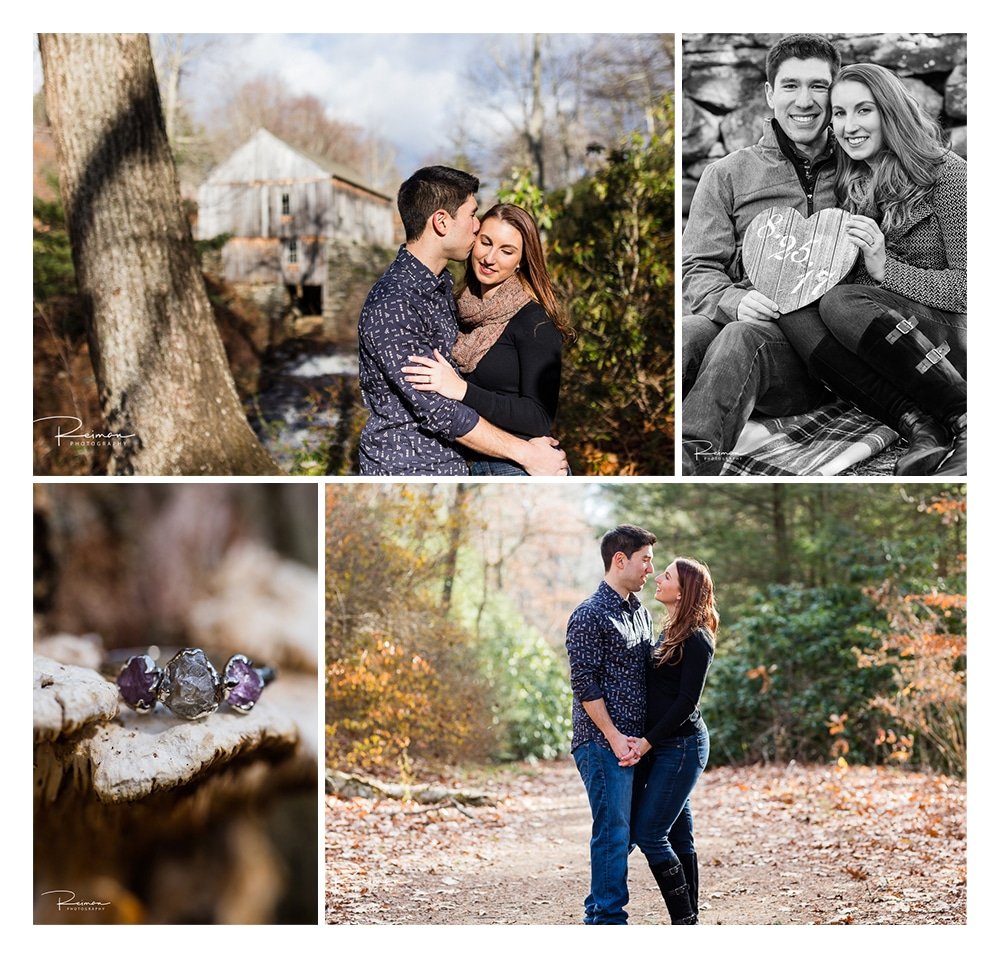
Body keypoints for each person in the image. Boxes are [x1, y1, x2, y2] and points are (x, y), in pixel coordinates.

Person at [778, 63, 967, 475]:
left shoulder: (949, 175)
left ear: (891, 111)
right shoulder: (851, 184)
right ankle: (918, 423)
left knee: (843, 301)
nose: (849, 126)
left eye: (864, 110)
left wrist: (886, 269)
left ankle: (966, 415)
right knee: (792, 305)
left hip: (955, 340)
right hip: (893, 344)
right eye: (840, 113)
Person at [681, 34, 842, 475]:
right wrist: (735, 300)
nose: (804, 101)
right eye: (790, 86)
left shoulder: (859, 170)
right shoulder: (727, 175)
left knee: (740, 338)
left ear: (836, 90)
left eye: (819, 86)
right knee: (688, 332)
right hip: (741, 320)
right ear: (770, 95)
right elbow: (697, 268)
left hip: (815, 354)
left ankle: (693, 461)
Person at [356, 166, 568, 476]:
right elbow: (440, 409)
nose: (476, 225)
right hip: (412, 468)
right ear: (441, 221)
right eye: (472, 215)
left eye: (507, 250)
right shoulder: (395, 305)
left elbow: (534, 412)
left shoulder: (441, 289)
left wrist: (527, 454)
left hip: (478, 465)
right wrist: (526, 454)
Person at [400, 203, 573, 475]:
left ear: (522, 261)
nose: (490, 258)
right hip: (471, 460)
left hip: (519, 465)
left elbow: (539, 418)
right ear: (474, 240)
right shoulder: (457, 306)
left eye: (507, 251)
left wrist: (461, 390)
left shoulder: (534, 321)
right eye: (486, 242)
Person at [565, 525, 657, 925]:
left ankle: (598, 905)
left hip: (636, 745)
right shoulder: (588, 615)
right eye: (645, 560)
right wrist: (615, 737)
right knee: (614, 830)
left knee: (633, 829)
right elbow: (585, 685)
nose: (650, 569)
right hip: (602, 743)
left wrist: (645, 741)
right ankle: (607, 919)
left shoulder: (641, 612)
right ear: (620, 560)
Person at [620, 557, 717, 925]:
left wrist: (645, 742)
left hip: (682, 747)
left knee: (650, 833)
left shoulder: (697, 638)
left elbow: (686, 703)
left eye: (667, 575)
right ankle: (689, 923)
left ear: (683, 590)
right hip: (664, 747)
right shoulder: (670, 629)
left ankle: (684, 921)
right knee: (679, 836)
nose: (657, 578)